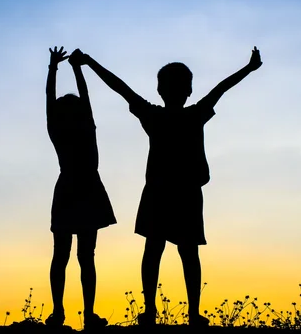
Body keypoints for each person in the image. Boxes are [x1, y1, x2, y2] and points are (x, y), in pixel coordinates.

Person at [69, 47, 263, 326]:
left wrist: (89, 62)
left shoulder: (155, 116)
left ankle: (152, 311)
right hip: (182, 193)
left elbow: (120, 87)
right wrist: (248, 68)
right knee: (186, 252)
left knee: (156, 249)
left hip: (162, 192)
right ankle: (190, 313)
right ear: (189, 90)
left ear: (161, 90)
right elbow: (222, 88)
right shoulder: (192, 114)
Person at [45, 46, 117, 329]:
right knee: (85, 256)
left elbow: (50, 101)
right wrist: (76, 68)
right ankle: (85, 315)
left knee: (62, 255)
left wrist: (54, 68)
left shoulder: (58, 128)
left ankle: (61, 313)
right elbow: (79, 100)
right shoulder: (85, 125)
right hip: (86, 188)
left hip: (73, 188)